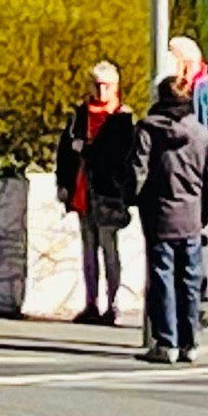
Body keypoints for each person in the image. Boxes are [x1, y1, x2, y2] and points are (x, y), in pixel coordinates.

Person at [139, 75, 208, 363]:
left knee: (163, 279)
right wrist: (203, 214)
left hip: (159, 215)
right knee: (190, 280)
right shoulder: (202, 135)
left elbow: (138, 172)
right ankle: (190, 341)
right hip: (192, 217)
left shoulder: (148, 129)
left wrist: (130, 200)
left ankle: (166, 342)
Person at [57, 64, 135, 326]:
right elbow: (65, 153)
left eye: (107, 85)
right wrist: (64, 184)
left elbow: (116, 157)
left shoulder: (122, 118)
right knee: (88, 250)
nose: (102, 91)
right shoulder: (79, 116)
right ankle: (91, 303)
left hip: (108, 195)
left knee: (109, 250)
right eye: (97, 85)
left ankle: (114, 304)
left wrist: (87, 150)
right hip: (82, 192)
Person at [165, 36, 208, 326]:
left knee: (201, 241)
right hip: (181, 178)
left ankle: (200, 306)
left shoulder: (207, 93)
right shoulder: (179, 92)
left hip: (200, 180)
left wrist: (205, 164)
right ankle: (187, 304)